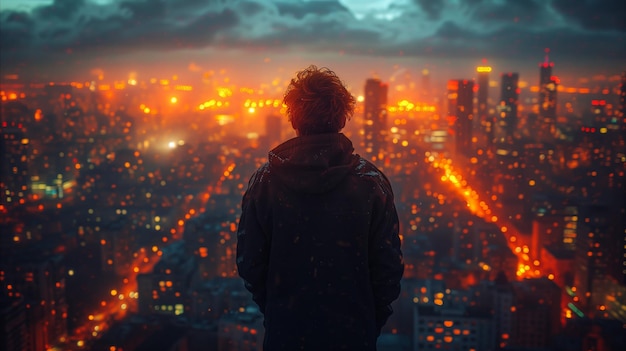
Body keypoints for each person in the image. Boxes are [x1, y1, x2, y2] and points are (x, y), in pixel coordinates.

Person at [236, 65, 404, 350]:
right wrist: (365, 322)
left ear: (293, 118)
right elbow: (388, 269)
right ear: (342, 117)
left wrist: (280, 311)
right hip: (352, 336)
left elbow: (250, 263)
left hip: (286, 335)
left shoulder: (265, 182)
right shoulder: (370, 183)